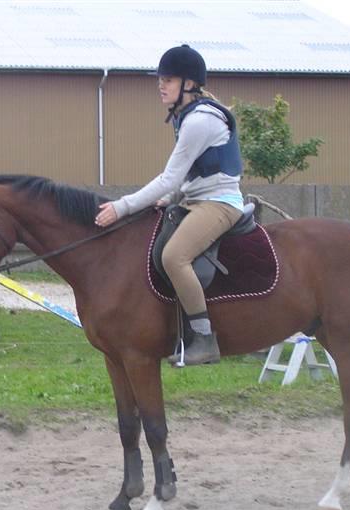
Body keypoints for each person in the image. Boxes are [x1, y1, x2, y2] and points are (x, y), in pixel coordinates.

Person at [95, 44, 245, 365]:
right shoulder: (186, 116)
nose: (161, 85)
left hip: (219, 204)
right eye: (160, 79)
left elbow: (169, 178)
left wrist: (121, 207)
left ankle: (204, 339)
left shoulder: (198, 121)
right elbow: (191, 176)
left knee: (174, 256)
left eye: (169, 80)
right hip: (196, 199)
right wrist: (171, 198)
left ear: (189, 84)